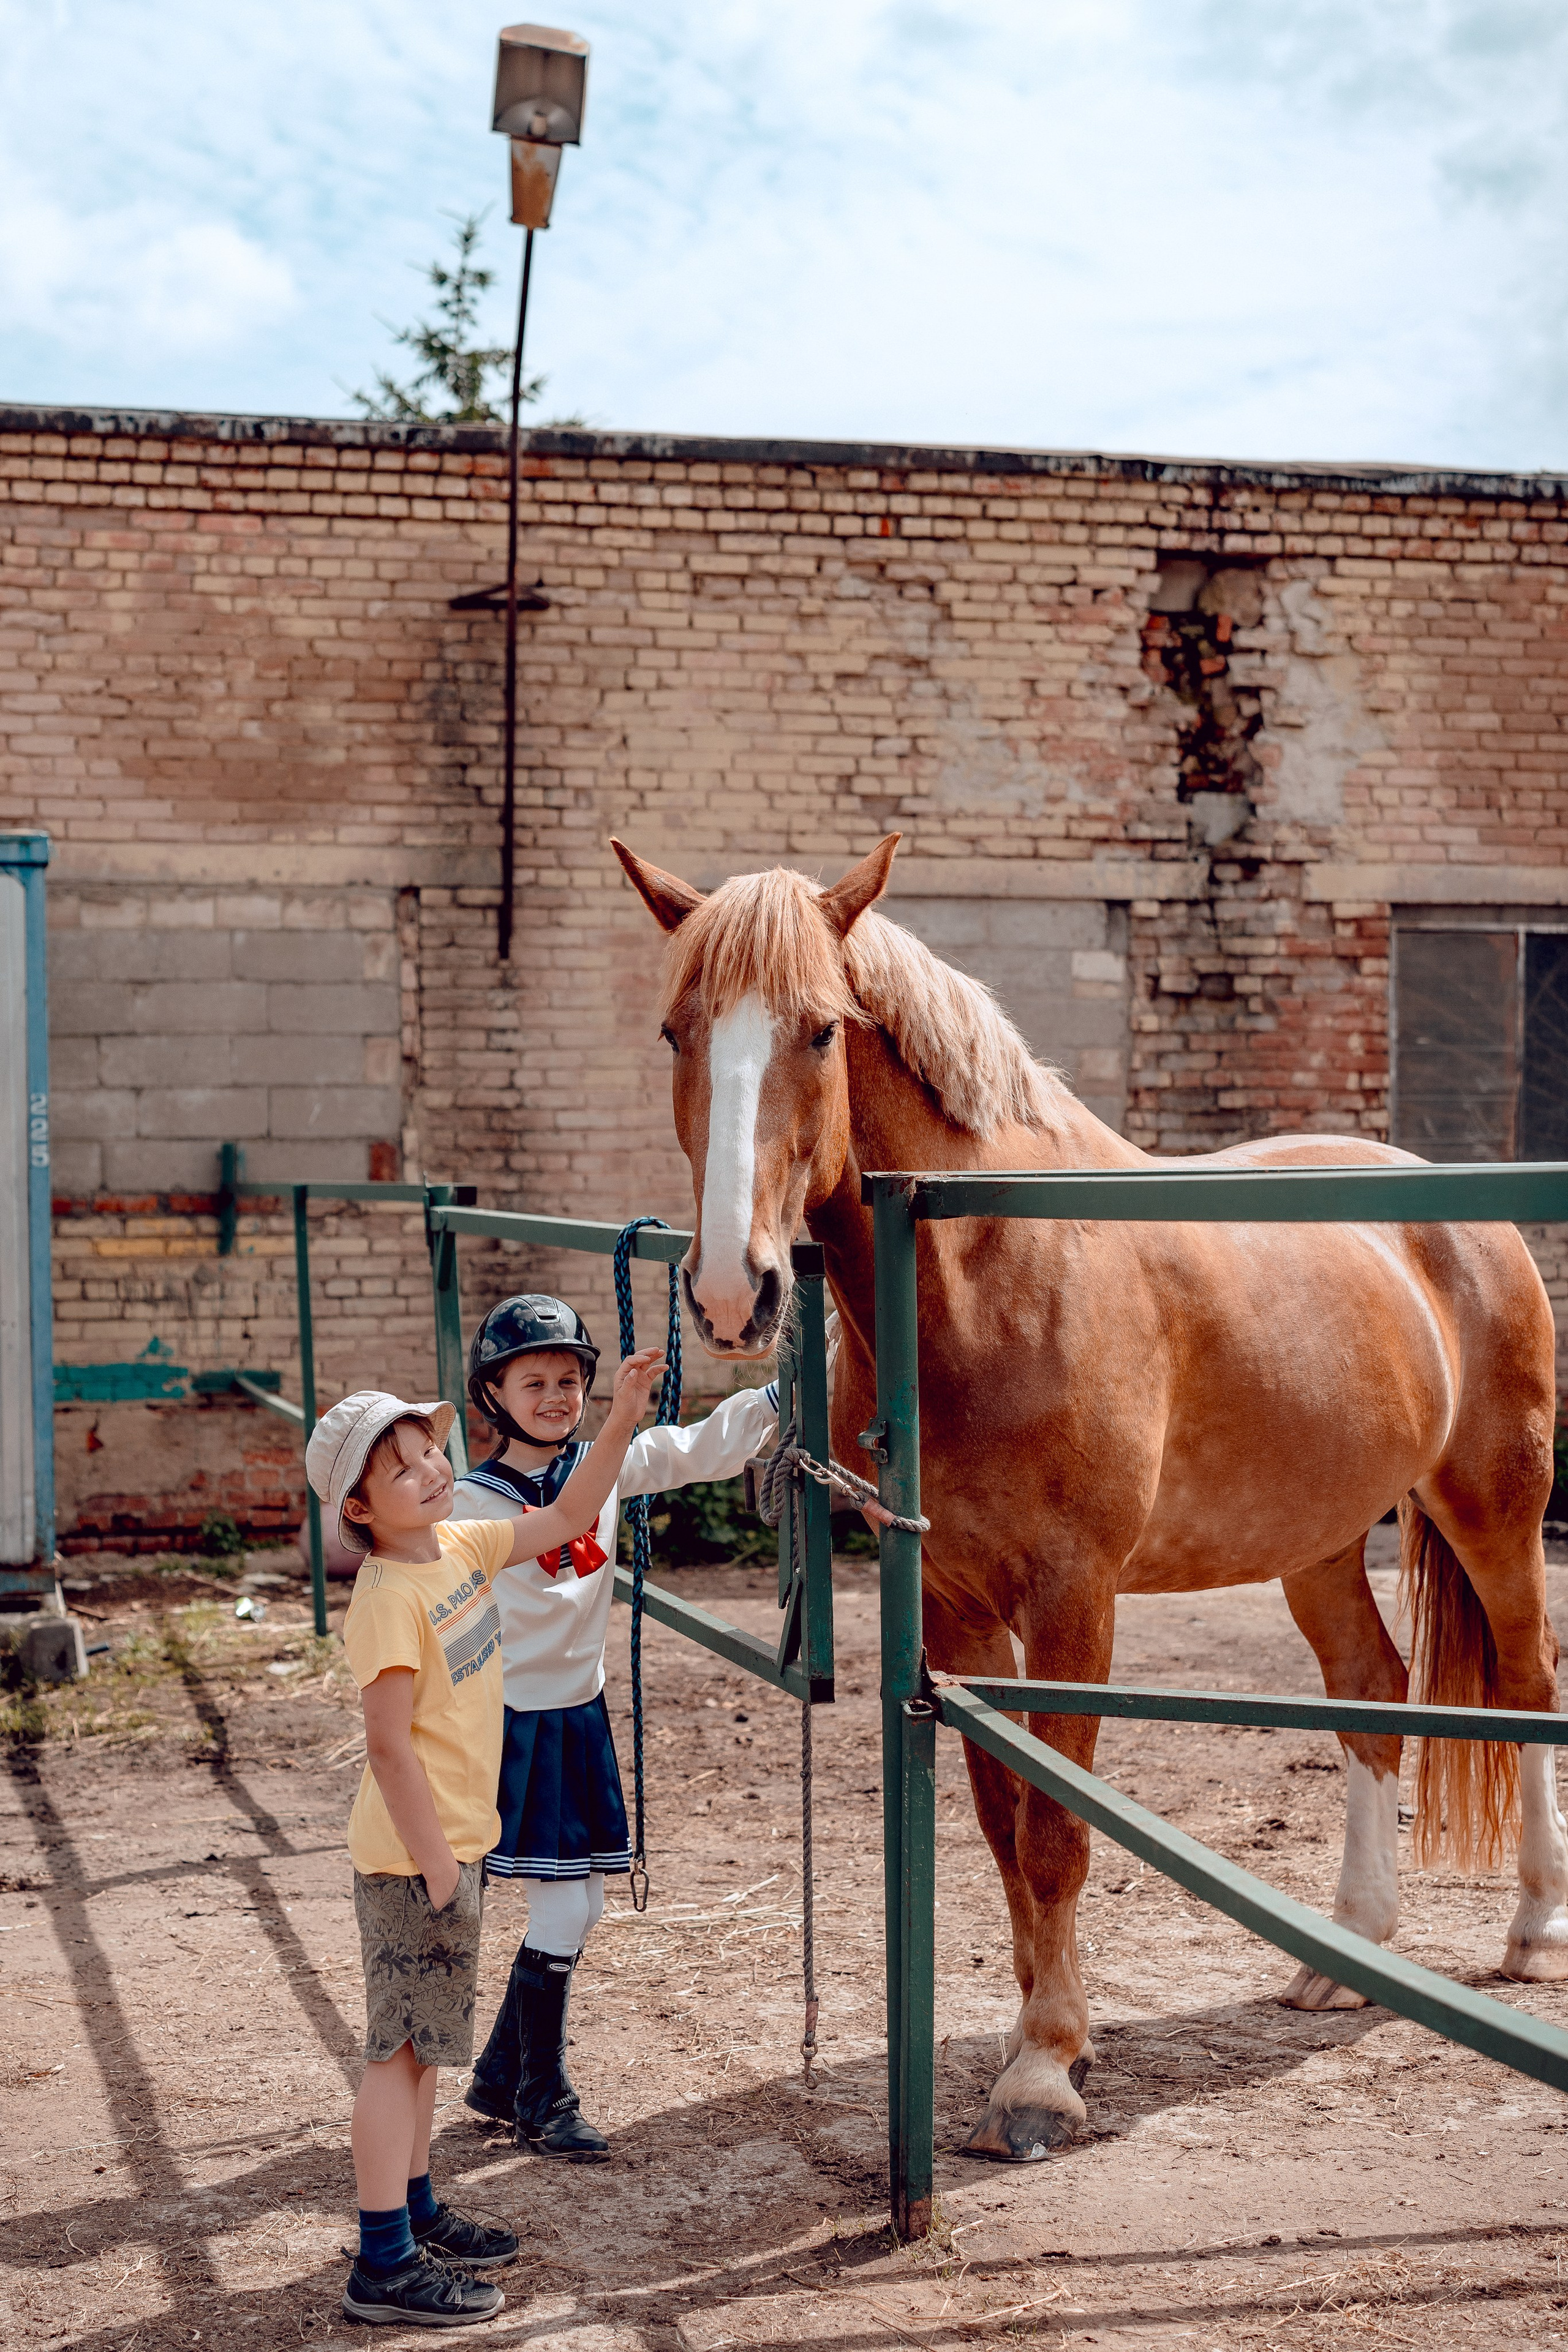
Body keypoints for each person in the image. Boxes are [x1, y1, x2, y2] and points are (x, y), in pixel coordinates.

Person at [306, 1354, 663, 2327]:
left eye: (428, 1451)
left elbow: (559, 1518)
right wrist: (434, 1869)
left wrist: (622, 1420)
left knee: (426, 2052)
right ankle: (383, 2261)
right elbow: (385, 1745)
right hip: (412, 1860)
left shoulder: (458, 1545)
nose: (428, 1470)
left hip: (454, 1847)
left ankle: (415, 2209)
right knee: (399, 2054)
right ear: (362, 1512)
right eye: (402, 1468)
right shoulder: (388, 1596)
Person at [448, 1291, 826, 2162]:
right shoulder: (472, 1502)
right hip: (517, 1722)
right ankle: (540, 2094)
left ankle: (504, 2074)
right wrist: (618, 1425)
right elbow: (559, 1520)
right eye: (533, 1381)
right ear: (492, 1396)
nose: (555, 1397)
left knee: (577, 1904)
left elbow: (696, 1449)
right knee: (567, 1904)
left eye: (571, 1381)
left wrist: (784, 1392)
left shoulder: (604, 1460)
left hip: (578, 1713)